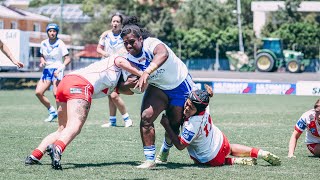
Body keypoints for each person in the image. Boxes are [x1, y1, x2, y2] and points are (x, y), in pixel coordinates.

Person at [25, 54, 143, 170]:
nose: (135, 82)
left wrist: (139, 84)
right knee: (75, 126)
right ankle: (57, 148)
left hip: (66, 83)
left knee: (62, 128)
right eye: (134, 79)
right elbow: (121, 62)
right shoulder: (118, 61)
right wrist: (144, 74)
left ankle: (35, 156)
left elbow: (130, 91)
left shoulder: (112, 83)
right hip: (80, 84)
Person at [120, 16, 198, 168]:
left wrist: (146, 73)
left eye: (132, 42)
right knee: (146, 118)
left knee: (174, 123)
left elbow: (163, 54)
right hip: (158, 87)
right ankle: (150, 160)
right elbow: (126, 86)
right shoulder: (128, 59)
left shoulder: (152, 43)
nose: (129, 46)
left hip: (180, 85)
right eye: (125, 43)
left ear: (140, 39)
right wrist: (130, 85)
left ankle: (165, 151)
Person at [160, 84, 281, 167]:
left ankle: (233, 161)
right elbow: (205, 100)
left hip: (211, 158)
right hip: (222, 141)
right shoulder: (205, 106)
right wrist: (209, 94)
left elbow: (181, 146)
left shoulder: (192, 124)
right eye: (187, 103)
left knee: (201, 161)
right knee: (231, 148)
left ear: (198, 109)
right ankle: (259, 153)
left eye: (190, 108)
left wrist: (167, 126)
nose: (186, 108)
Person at [97, 13, 133, 128]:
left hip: (119, 69)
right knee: (110, 94)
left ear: (121, 24)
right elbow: (98, 49)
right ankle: (112, 121)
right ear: (111, 23)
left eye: (117, 21)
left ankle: (127, 119)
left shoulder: (124, 36)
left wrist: (121, 55)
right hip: (107, 68)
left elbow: (128, 49)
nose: (115, 23)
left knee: (113, 95)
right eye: (113, 21)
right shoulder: (106, 35)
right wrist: (105, 54)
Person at [35, 23, 71, 122]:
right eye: (50, 31)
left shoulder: (60, 43)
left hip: (57, 70)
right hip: (47, 70)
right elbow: (42, 56)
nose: (52, 33)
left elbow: (68, 59)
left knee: (56, 94)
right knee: (38, 92)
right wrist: (42, 61)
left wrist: (61, 69)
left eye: (54, 31)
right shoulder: (43, 43)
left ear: (56, 32)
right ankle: (52, 111)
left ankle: (65, 116)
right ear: (47, 32)